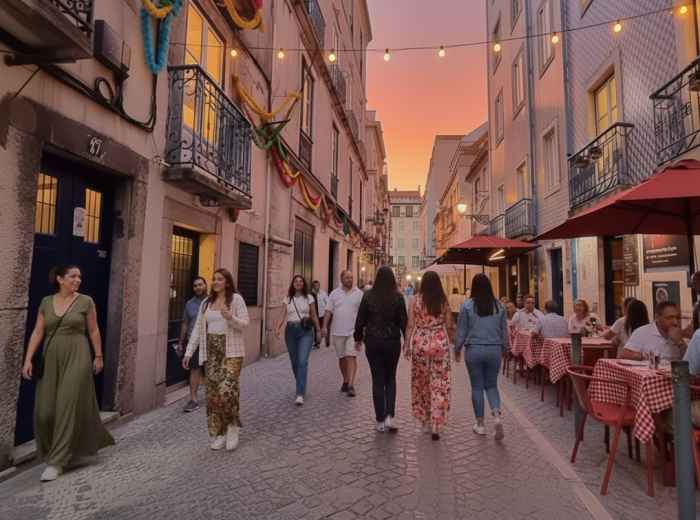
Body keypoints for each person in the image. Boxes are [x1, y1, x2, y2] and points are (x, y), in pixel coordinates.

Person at [21, 265, 114, 482]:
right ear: (60, 279)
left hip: (78, 356)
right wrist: (28, 359)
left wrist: (98, 356)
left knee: (66, 407)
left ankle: (57, 462)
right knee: (44, 412)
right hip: (51, 358)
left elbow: (93, 330)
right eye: (73, 276)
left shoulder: (86, 301)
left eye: (80, 276)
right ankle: (59, 451)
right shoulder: (46, 302)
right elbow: (38, 331)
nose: (78, 280)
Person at [183, 269, 249, 451]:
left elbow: (245, 323)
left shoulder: (236, 299)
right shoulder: (206, 302)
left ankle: (233, 427)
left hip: (232, 351)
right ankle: (219, 432)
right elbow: (197, 329)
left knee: (227, 389)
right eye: (214, 279)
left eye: (220, 279)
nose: (215, 282)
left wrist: (230, 317)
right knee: (212, 395)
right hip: (211, 353)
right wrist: (189, 352)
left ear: (227, 282)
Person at [354, 267, 408, 432]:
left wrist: (358, 338)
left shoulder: (368, 295)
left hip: (374, 341)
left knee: (377, 379)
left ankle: (380, 419)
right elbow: (403, 321)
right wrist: (407, 341)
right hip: (392, 342)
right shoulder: (398, 297)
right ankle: (389, 416)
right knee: (390, 378)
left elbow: (360, 319)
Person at [455, 273, 509, 439]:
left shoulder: (467, 306)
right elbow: (504, 331)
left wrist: (457, 348)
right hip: (494, 350)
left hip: (474, 350)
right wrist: (505, 348)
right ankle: (497, 416)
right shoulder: (500, 306)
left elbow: (461, 331)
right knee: (492, 385)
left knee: (477, 387)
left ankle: (480, 424)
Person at [405, 271, 455, 441]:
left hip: (420, 343)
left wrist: (406, 344)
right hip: (439, 343)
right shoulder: (443, 300)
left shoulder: (415, 300)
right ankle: (436, 423)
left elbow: (410, 324)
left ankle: (424, 421)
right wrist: (453, 343)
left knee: (421, 382)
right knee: (439, 383)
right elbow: (449, 325)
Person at [276, 275, 321, 405]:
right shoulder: (287, 299)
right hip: (290, 331)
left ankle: (299, 393)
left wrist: (318, 330)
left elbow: (313, 315)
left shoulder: (309, 298)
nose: (298, 283)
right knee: (294, 362)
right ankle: (301, 383)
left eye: (301, 281)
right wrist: (277, 328)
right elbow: (282, 315)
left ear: (303, 284)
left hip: (305, 331)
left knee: (302, 361)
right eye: (296, 281)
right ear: (293, 284)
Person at [323, 271, 364, 397]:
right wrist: (324, 326)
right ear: (341, 279)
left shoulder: (359, 294)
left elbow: (364, 313)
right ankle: (345, 380)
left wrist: (363, 331)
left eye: (351, 277)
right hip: (337, 331)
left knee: (351, 356)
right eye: (347, 277)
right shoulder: (334, 294)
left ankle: (351, 385)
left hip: (353, 331)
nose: (350, 279)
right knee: (342, 358)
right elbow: (328, 311)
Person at [178, 276, 208, 412]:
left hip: (209, 341)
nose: (198, 287)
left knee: (210, 370)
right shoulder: (189, 304)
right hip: (193, 341)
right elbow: (185, 323)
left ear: (205, 285)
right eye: (195, 285)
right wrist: (180, 342)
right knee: (194, 370)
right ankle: (193, 399)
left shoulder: (212, 302)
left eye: (200, 284)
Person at [620, 301, 685, 361]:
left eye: (678, 318)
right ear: (657, 317)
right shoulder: (642, 332)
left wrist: (680, 342)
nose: (675, 322)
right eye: (669, 318)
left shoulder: (681, 334)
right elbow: (625, 354)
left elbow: (690, 361)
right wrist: (645, 356)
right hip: (647, 372)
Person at [311, 280, 329, 349]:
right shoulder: (311, 294)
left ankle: (319, 341)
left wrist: (326, 311)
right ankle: (317, 343)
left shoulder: (323, 293)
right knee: (315, 329)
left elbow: (327, 302)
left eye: (318, 285)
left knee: (321, 328)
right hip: (314, 314)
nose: (317, 287)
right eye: (315, 286)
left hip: (322, 314)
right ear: (313, 286)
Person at [683, 271, 700, 338]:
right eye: (692, 284)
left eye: (695, 283)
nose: (693, 287)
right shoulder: (697, 305)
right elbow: (693, 327)